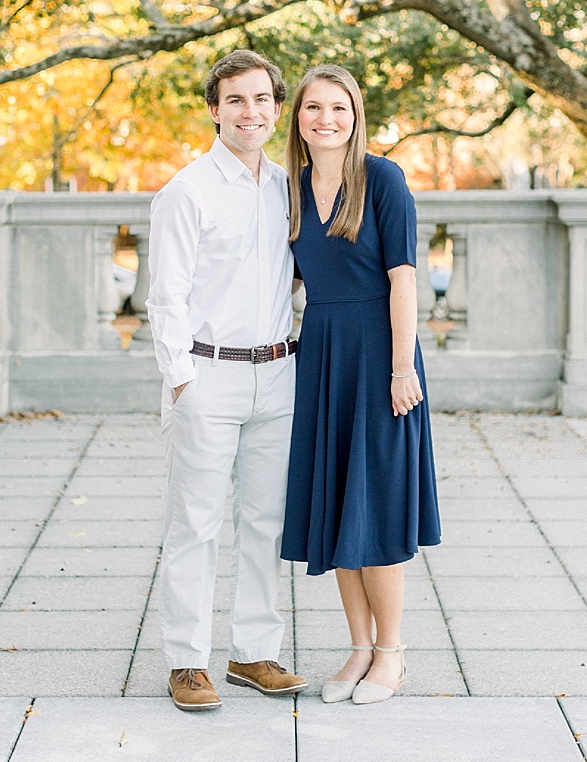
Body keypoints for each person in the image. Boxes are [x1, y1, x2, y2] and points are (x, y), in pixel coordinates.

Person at [146, 49, 310, 711]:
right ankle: (187, 661)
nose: (251, 112)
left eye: (263, 99)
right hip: (208, 375)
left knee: (265, 522)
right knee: (196, 522)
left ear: (277, 108)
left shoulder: (286, 186)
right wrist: (182, 380)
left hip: (278, 375)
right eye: (236, 100)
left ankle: (252, 653)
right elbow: (166, 297)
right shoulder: (188, 191)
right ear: (215, 110)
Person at [280, 64, 441, 705]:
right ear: (298, 118)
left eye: (339, 108)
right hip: (321, 352)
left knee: (374, 506)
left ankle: (392, 653)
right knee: (334, 505)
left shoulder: (382, 179)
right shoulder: (288, 188)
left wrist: (402, 368)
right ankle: (357, 649)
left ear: (356, 115)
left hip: (380, 352)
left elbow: (403, 277)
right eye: (314, 107)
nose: (326, 119)